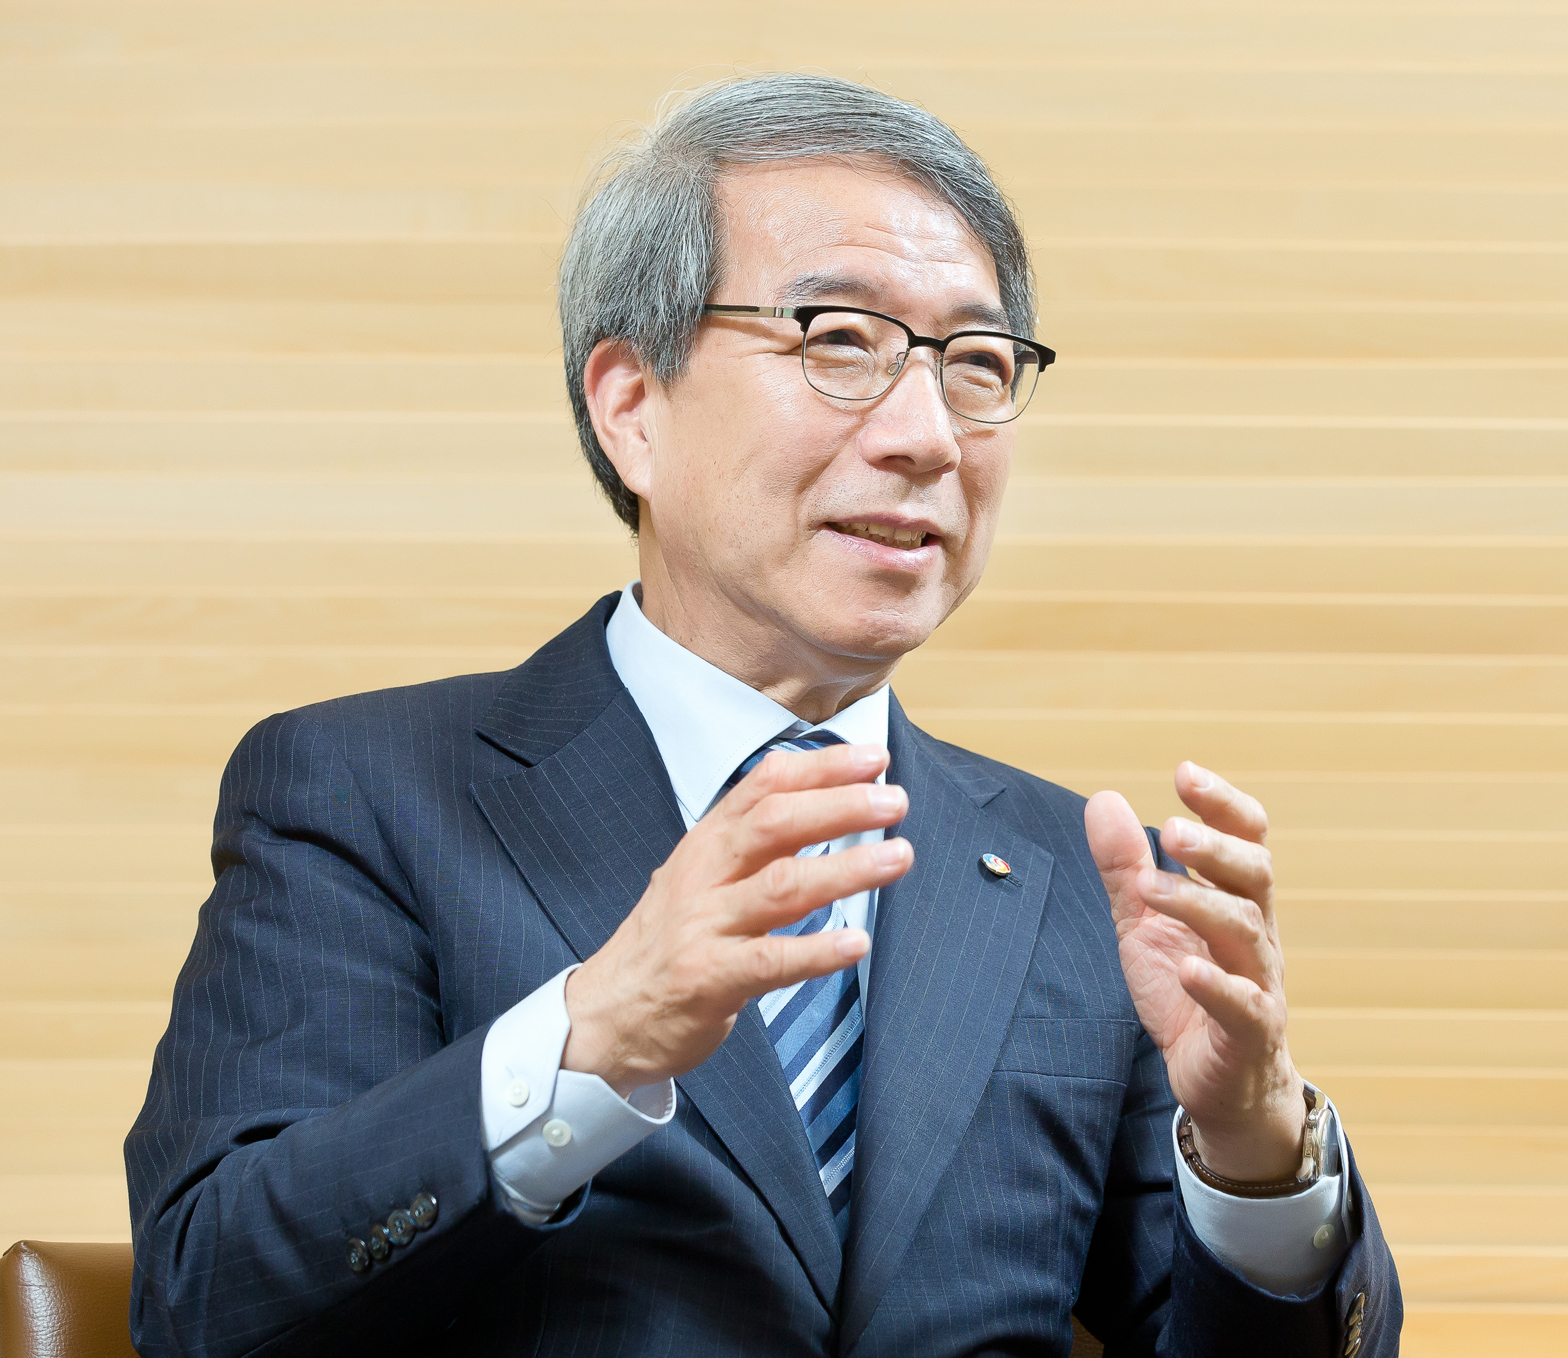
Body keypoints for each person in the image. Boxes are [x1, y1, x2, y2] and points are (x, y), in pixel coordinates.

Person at [124, 73, 1401, 1357]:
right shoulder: (364, 792)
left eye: (974, 362)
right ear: (631, 407)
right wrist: (591, 1037)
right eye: (839, 341)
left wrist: (1254, 1145)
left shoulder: (1087, 877)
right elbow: (206, 1298)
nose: (927, 437)